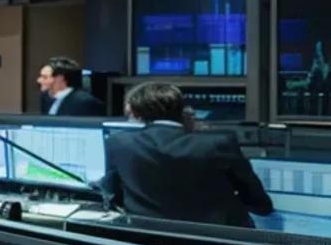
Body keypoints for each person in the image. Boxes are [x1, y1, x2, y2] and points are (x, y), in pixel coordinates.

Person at [100, 82, 273, 228]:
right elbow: (260, 204)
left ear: (136, 113)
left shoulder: (119, 143)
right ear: (182, 110)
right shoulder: (218, 143)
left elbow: (112, 195)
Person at [38, 56, 106, 116]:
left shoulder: (85, 102)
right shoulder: (46, 98)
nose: (39, 80)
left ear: (60, 78)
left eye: (44, 77)